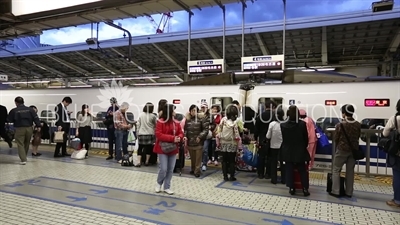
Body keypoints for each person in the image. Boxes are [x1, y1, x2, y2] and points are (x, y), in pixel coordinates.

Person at [330, 104, 361, 198]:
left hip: (342, 150)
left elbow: (336, 138)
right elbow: (358, 136)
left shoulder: (340, 125)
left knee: (336, 169)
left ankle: (336, 191)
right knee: (350, 171)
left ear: (344, 113)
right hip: (353, 150)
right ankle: (349, 192)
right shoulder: (358, 124)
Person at [153, 104, 184, 194]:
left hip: (173, 148)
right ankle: (159, 183)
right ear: (169, 111)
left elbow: (181, 132)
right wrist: (172, 138)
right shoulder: (160, 121)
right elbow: (159, 134)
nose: (175, 112)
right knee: (163, 168)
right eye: (173, 110)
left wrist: (180, 137)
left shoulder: (176, 122)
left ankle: (167, 187)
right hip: (162, 148)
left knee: (170, 169)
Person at [280, 105, 310, 196]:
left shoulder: (283, 125)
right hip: (300, 150)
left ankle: (292, 188)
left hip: (288, 150)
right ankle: (305, 189)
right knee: (302, 170)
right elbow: (306, 139)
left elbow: (284, 139)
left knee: (289, 170)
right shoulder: (302, 124)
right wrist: (303, 147)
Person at [8, 97, 41, 164]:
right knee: (27, 143)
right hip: (29, 128)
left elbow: (9, 120)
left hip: (19, 128)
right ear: (23, 102)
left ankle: (23, 159)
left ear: (16, 102)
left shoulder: (14, 110)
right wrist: (38, 126)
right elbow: (36, 118)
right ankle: (24, 157)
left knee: (20, 144)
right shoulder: (30, 110)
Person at [216, 105, 242, 181]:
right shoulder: (235, 123)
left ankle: (225, 176)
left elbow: (219, 130)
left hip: (223, 142)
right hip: (232, 143)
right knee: (231, 160)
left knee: (224, 160)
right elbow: (237, 135)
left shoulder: (223, 120)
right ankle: (232, 176)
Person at [382, 99, 400, 208]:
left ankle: (397, 200)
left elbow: (385, 133)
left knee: (398, 176)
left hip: (397, 152)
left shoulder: (395, 119)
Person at [183, 104, 209, 177]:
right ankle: (193, 169)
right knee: (193, 157)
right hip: (190, 141)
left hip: (198, 142)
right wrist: (185, 136)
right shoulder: (187, 119)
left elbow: (205, 129)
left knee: (198, 158)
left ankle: (197, 171)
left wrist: (200, 137)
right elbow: (185, 129)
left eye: (195, 110)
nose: (193, 112)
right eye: (192, 110)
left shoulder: (202, 119)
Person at [254, 99, 276, 179]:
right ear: (273, 107)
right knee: (270, 157)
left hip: (262, 140)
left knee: (261, 157)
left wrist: (256, 138)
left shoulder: (260, 116)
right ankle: (268, 174)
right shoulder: (274, 116)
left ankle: (260, 173)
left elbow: (256, 129)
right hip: (272, 140)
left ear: (265, 106)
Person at [266, 107, 285, 184]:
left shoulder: (272, 124)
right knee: (283, 163)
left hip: (273, 146)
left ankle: (274, 179)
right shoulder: (284, 124)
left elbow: (268, 136)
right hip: (283, 147)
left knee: (273, 163)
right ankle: (284, 179)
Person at [137, 102, 157, 167]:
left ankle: (138, 162)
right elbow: (156, 125)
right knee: (148, 149)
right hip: (150, 134)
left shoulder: (141, 115)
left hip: (141, 133)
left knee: (140, 148)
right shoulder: (153, 116)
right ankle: (147, 161)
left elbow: (138, 125)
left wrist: (137, 133)